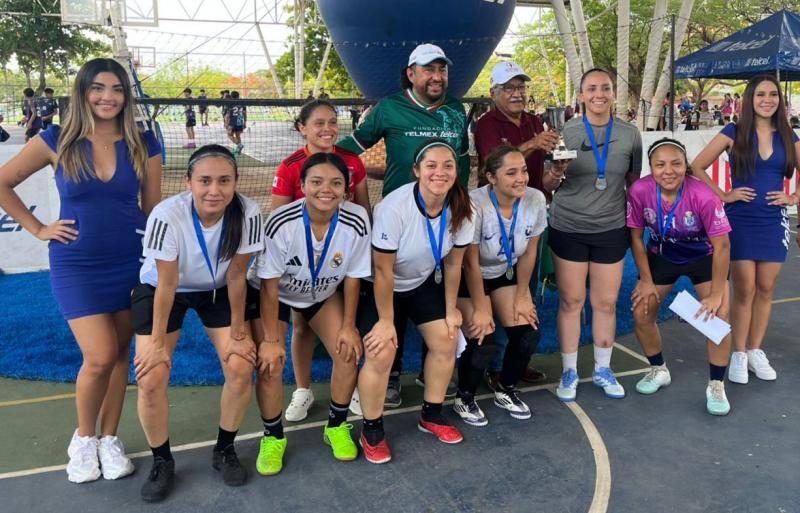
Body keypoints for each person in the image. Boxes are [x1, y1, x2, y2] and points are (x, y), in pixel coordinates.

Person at [0, 58, 162, 483]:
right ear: (82, 91)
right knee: (100, 355)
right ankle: (84, 438)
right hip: (77, 263)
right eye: (98, 88)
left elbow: (154, 209)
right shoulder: (56, 139)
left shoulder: (145, 142)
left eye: (117, 89)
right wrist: (38, 228)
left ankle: (110, 440)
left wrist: (163, 259)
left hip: (132, 261)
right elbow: (2, 182)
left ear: (126, 96)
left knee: (122, 354)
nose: (108, 97)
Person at [337, 43, 470, 406]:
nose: (436, 76)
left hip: (443, 217)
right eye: (428, 69)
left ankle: (433, 371)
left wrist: (461, 207)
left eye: (441, 69)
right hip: (399, 221)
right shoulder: (389, 108)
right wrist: (328, 169)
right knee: (393, 290)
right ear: (411, 73)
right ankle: (391, 377)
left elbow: (462, 160)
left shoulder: (457, 110)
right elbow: (351, 148)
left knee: (434, 287)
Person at [133, 144, 263, 502]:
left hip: (220, 288)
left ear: (236, 182)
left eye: (224, 180)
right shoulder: (166, 214)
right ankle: (162, 460)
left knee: (240, 366)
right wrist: (157, 341)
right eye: (204, 180)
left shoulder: (249, 213)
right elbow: (168, 283)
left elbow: (238, 275)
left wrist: (238, 332)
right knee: (151, 376)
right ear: (188, 182)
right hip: (163, 289)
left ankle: (224, 449)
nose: (214, 190)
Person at [249, 152, 371, 470]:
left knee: (347, 351)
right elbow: (269, 285)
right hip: (277, 294)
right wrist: (272, 338)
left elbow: (355, 276)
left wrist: (349, 325)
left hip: (323, 293)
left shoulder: (357, 219)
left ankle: (336, 426)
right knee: (271, 363)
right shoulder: (281, 222)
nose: (325, 189)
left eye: (336, 183)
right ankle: (273, 437)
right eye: (316, 182)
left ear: (346, 188)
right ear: (302, 185)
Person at [357, 139, 474, 463]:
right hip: (380, 287)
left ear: (456, 171)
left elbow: (453, 263)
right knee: (382, 352)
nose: (440, 172)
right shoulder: (394, 208)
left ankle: (432, 414)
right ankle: (372, 428)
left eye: (448, 165)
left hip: (420, 284)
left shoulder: (463, 208)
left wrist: (451, 310)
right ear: (417, 171)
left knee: (447, 338)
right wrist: (384, 321)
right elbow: (382, 271)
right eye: (432, 165)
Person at [690, 74, 800, 385]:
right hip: (739, 220)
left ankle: (755, 350)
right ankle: (737, 353)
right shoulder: (734, 131)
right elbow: (697, 166)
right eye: (761, 94)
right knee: (745, 289)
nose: (768, 99)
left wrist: (793, 197)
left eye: (773, 94)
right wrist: (724, 195)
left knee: (766, 288)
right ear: (749, 99)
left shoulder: (788, 136)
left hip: (773, 221)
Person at [270, 99, 371, 422]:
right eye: (318, 123)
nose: (327, 129)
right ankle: (303, 389)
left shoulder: (352, 162)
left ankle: (345, 391)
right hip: (296, 265)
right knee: (301, 326)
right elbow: (278, 219)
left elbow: (363, 209)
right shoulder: (290, 165)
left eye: (332, 121)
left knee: (343, 329)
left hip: (334, 261)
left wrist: (351, 247)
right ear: (303, 128)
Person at [549, 68, 642, 402]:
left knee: (604, 302)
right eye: (592, 89)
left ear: (613, 93)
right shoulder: (565, 130)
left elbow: (634, 181)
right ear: (581, 94)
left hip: (610, 228)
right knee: (572, 301)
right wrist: (555, 174)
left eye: (605, 88)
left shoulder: (631, 134)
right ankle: (569, 371)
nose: (599, 94)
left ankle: (603, 368)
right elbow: (550, 183)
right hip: (569, 227)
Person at [473, 61, 563, 387]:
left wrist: (557, 171)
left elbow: (540, 180)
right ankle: (493, 366)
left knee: (526, 290)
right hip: (495, 219)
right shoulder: (485, 123)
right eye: (509, 88)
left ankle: (515, 361)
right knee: (487, 295)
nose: (517, 94)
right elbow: (491, 162)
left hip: (531, 216)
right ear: (494, 93)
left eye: (521, 87)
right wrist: (533, 144)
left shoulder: (535, 121)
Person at [628, 138, 734, 415]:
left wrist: (717, 294)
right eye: (660, 164)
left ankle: (716, 385)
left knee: (718, 319)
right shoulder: (639, 190)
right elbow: (637, 238)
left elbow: (722, 246)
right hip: (663, 254)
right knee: (642, 311)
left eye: (676, 163)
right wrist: (645, 278)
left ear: (685, 166)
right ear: (650, 168)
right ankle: (658, 369)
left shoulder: (702, 195)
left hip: (705, 256)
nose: (668, 170)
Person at [453, 145, 547, 426]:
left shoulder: (536, 199)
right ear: (491, 178)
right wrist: (482, 306)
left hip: (504, 272)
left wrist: (523, 295)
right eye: (511, 173)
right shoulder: (474, 203)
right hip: (469, 276)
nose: (521, 178)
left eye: (524, 171)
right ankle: (464, 397)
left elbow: (530, 252)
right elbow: (469, 262)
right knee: (483, 337)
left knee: (529, 331)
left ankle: (505, 389)